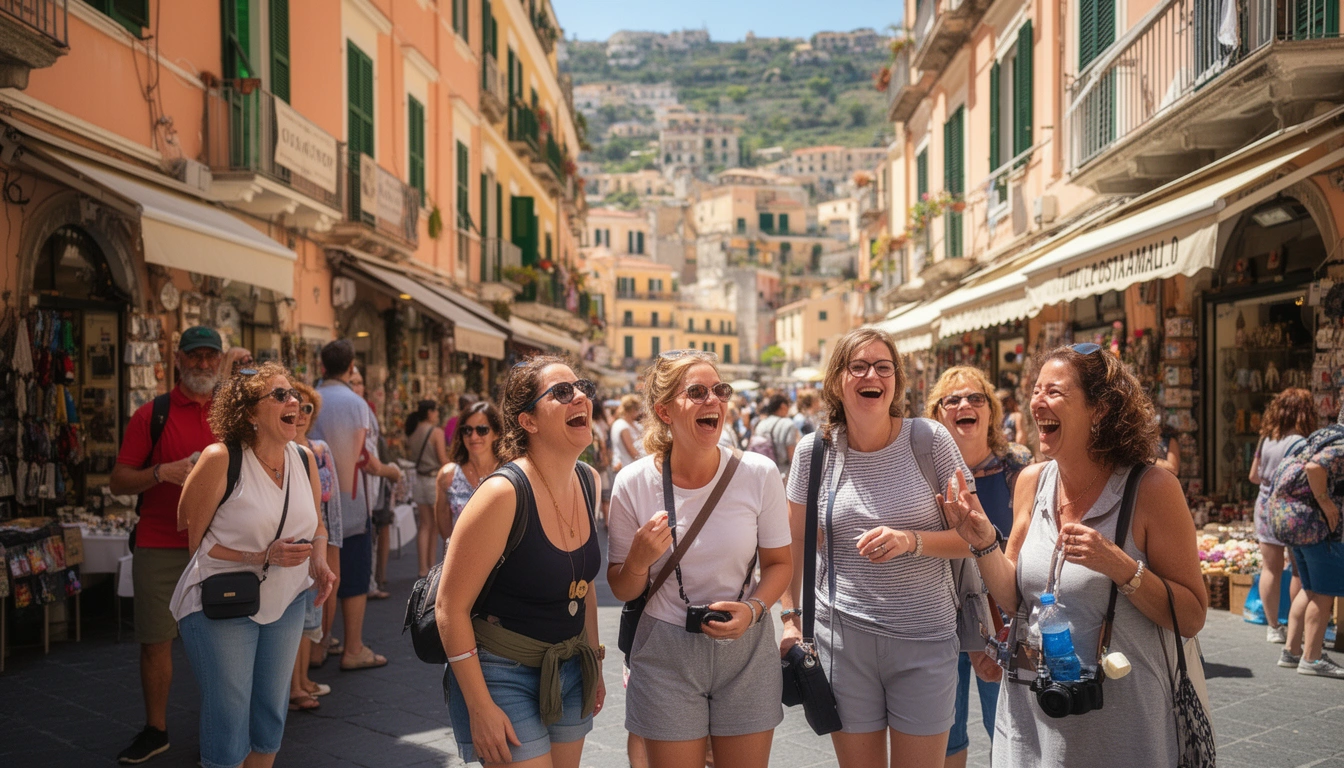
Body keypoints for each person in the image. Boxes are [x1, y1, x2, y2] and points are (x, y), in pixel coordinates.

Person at [942, 343, 1208, 767]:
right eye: (1036, 390)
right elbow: (1014, 598)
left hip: (1120, 723)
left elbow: (1192, 615)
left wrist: (1121, 567)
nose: (1037, 402)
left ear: (1099, 409)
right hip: (1033, 712)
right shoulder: (1031, 480)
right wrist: (983, 542)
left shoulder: (1152, 489)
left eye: (1055, 392)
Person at [778, 328, 979, 768]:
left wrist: (912, 541)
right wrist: (790, 617)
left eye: (883, 367)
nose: (873, 374)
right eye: (859, 366)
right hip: (843, 639)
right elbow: (794, 540)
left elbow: (975, 538)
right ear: (837, 382)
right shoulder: (815, 453)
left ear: (895, 382)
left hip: (924, 640)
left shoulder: (930, 441)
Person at [608, 350, 792, 768]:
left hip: (747, 649)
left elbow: (780, 563)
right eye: (697, 392)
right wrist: (638, 560)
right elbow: (622, 586)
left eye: (719, 390)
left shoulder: (759, 474)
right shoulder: (632, 483)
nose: (714, 400)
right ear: (664, 410)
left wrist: (754, 608)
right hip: (665, 652)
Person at [437, 355, 605, 766]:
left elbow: (583, 587)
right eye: (562, 392)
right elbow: (449, 608)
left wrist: (594, 662)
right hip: (502, 674)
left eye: (582, 387)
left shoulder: (589, 481)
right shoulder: (502, 494)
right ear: (528, 421)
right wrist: (479, 707)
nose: (580, 396)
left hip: (569, 666)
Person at [170, 362, 336, 768]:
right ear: (248, 412)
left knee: (271, 711)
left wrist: (318, 560)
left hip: (289, 598)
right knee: (229, 716)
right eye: (279, 395)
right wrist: (262, 556)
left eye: (293, 394)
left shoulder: (304, 458)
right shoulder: (221, 458)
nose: (293, 401)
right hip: (224, 602)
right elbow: (195, 541)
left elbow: (317, 524)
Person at [110, 326, 224, 765]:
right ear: (178, 360)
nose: (203, 364)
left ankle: (220, 728)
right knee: (156, 641)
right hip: (159, 543)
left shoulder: (230, 416)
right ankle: (155, 729)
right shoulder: (150, 415)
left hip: (217, 546)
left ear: (219, 361)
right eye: (194, 356)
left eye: (210, 357)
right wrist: (160, 472)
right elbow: (119, 481)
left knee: (220, 642)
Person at [926, 367, 1034, 768]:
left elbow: (1029, 545)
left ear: (991, 412)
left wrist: (986, 633)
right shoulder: (925, 471)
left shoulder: (1018, 467)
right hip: (941, 620)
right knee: (945, 736)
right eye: (951, 400)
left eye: (975, 398)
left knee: (1008, 727)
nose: (963, 405)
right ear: (937, 414)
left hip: (1005, 622)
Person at [307, 342, 401, 672]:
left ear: (322, 367)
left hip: (313, 501)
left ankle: (319, 645)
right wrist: (392, 472)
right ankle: (353, 647)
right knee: (354, 577)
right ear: (351, 367)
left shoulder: (310, 399)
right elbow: (365, 458)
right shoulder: (356, 403)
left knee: (322, 575)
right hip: (350, 499)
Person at [1274, 401, 1344, 678]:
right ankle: (1312, 658)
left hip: (1292, 521)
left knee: (1310, 588)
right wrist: (1326, 503)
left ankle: (1292, 651)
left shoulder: (1323, 436)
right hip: (1314, 524)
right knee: (1324, 592)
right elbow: (1316, 468)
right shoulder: (1340, 445)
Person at [289, 380, 341, 706]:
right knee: (294, 617)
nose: (301, 415)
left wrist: (331, 543)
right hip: (293, 541)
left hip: (317, 538)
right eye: (297, 408)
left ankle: (303, 679)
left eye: (308, 409)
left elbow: (329, 500)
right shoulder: (278, 450)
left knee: (309, 615)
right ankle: (293, 686)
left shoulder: (319, 450)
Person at [1248, 387, 1312, 647]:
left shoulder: (1266, 439)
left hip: (1264, 505)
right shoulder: (1301, 442)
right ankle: (1297, 626)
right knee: (1298, 570)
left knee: (1270, 568)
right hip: (1292, 508)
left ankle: (1274, 626)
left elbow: (1254, 475)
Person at [353, 368, 395, 600]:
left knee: (371, 533)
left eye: (359, 382)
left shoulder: (366, 409)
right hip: (356, 483)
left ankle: (370, 581)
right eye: (352, 382)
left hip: (369, 485)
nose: (357, 387)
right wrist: (389, 472)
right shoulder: (356, 409)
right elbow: (366, 456)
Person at [435, 401, 504, 538]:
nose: (473, 436)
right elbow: (446, 535)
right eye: (467, 430)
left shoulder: (510, 472)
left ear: (496, 433)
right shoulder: (447, 476)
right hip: (463, 558)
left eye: (482, 430)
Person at [406, 399, 451, 578]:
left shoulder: (413, 431)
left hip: (418, 480)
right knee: (435, 526)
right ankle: (432, 566)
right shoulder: (435, 432)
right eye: (436, 411)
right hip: (433, 480)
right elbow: (442, 459)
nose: (438, 414)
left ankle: (423, 567)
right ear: (430, 412)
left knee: (424, 525)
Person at [752, 393, 801, 479]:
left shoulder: (761, 424)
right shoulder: (788, 424)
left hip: (762, 473)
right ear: (783, 406)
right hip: (782, 474)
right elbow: (791, 453)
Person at [611, 394, 644, 475]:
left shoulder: (635, 424)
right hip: (628, 468)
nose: (638, 412)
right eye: (637, 409)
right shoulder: (622, 425)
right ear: (631, 409)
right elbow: (632, 452)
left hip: (635, 466)